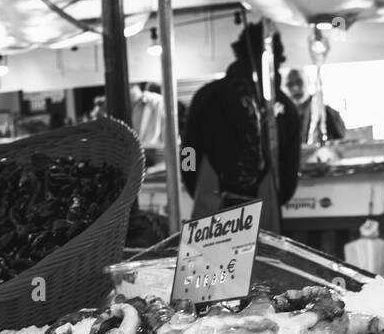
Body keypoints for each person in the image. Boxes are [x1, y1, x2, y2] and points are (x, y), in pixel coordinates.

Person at [181, 22, 301, 228]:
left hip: (211, 215)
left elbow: (188, 150)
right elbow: (290, 170)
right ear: (275, 61)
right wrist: (277, 196)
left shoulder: (206, 96)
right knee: (260, 260)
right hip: (264, 214)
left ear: (239, 54)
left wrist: (190, 180)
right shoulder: (286, 108)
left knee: (212, 261)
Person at [285, 69, 346, 144]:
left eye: (299, 82)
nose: (295, 88)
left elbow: (340, 141)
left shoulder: (324, 112)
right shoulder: (284, 116)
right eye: (290, 84)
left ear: (308, 81)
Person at [129, 82, 167, 165]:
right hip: (138, 157)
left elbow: (170, 137)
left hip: (157, 154)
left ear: (133, 86)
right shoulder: (128, 107)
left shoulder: (157, 101)